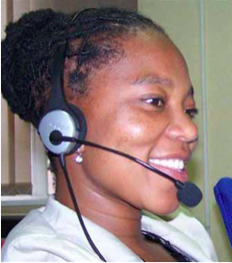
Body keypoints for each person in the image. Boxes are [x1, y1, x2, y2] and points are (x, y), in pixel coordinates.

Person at [1, 7, 217, 262]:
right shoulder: (44, 256)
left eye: (189, 110)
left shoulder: (185, 231)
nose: (190, 131)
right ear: (66, 129)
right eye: (154, 101)